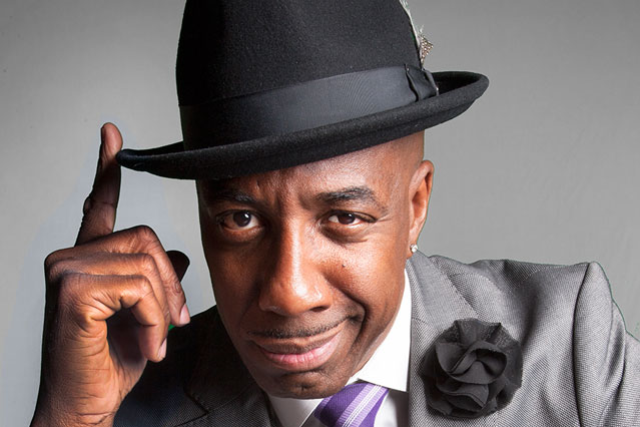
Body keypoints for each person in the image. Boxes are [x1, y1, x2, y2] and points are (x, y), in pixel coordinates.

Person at [31, 0, 640, 426]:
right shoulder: (128, 400)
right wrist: (72, 420)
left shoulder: (569, 347)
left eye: (344, 218)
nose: (289, 293)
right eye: (240, 219)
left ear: (416, 206)